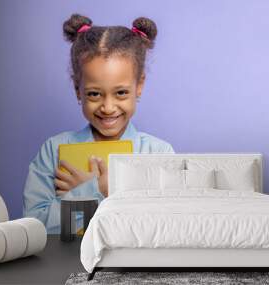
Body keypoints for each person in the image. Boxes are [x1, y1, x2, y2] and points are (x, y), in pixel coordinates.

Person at [23, 14, 174, 234]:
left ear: (139, 85)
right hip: (65, 264)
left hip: (133, 267)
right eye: (94, 94)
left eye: (121, 93)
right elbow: (35, 226)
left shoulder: (159, 153)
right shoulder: (53, 151)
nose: (108, 107)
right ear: (77, 89)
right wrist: (96, 189)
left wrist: (109, 189)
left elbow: (165, 227)